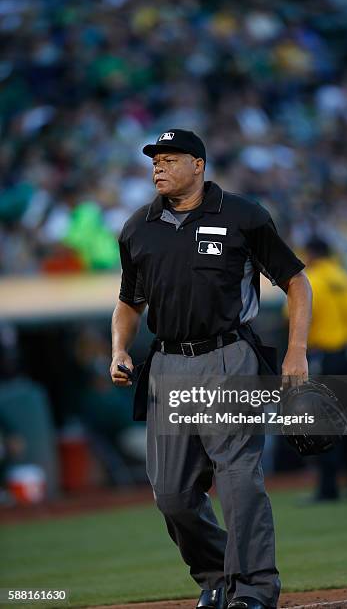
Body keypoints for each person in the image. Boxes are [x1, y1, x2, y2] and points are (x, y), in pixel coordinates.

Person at [110, 129, 312, 609]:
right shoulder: (139, 227)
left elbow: (297, 281)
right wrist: (119, 348)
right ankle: (218, 576)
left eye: (169, 158)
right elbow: (127, 303)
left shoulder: (243, 215)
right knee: (173, 495)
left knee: (239, 479)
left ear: (198, 165)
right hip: (167, 364)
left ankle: (255, 590)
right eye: (154, 160)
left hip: (229, 358)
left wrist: (297, 350)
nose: (158, 166)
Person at [304, 236, 347, 501]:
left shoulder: (312, 279)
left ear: (312, 253)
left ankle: (328, 489)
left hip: (325, 356)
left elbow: (299, 318)